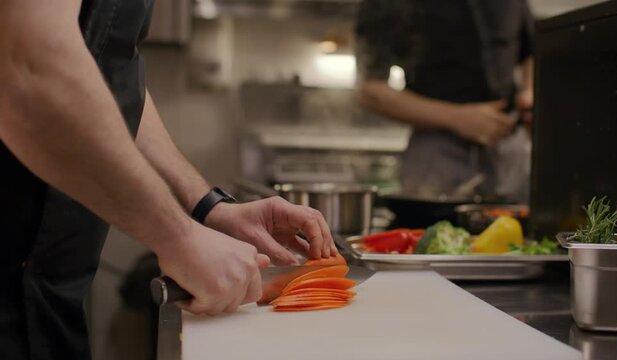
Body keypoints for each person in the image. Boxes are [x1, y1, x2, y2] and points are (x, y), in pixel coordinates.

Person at [0, 1, 337, 359]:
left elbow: (113, 83)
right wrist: (179, 237)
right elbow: (32, 67)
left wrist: (209, 207)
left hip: (44, 289)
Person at [355, 0, 534, 202]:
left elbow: (531, 53)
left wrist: (528, 92)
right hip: (437, 149)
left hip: (509, 144)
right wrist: (457, 118)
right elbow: (370, 91)